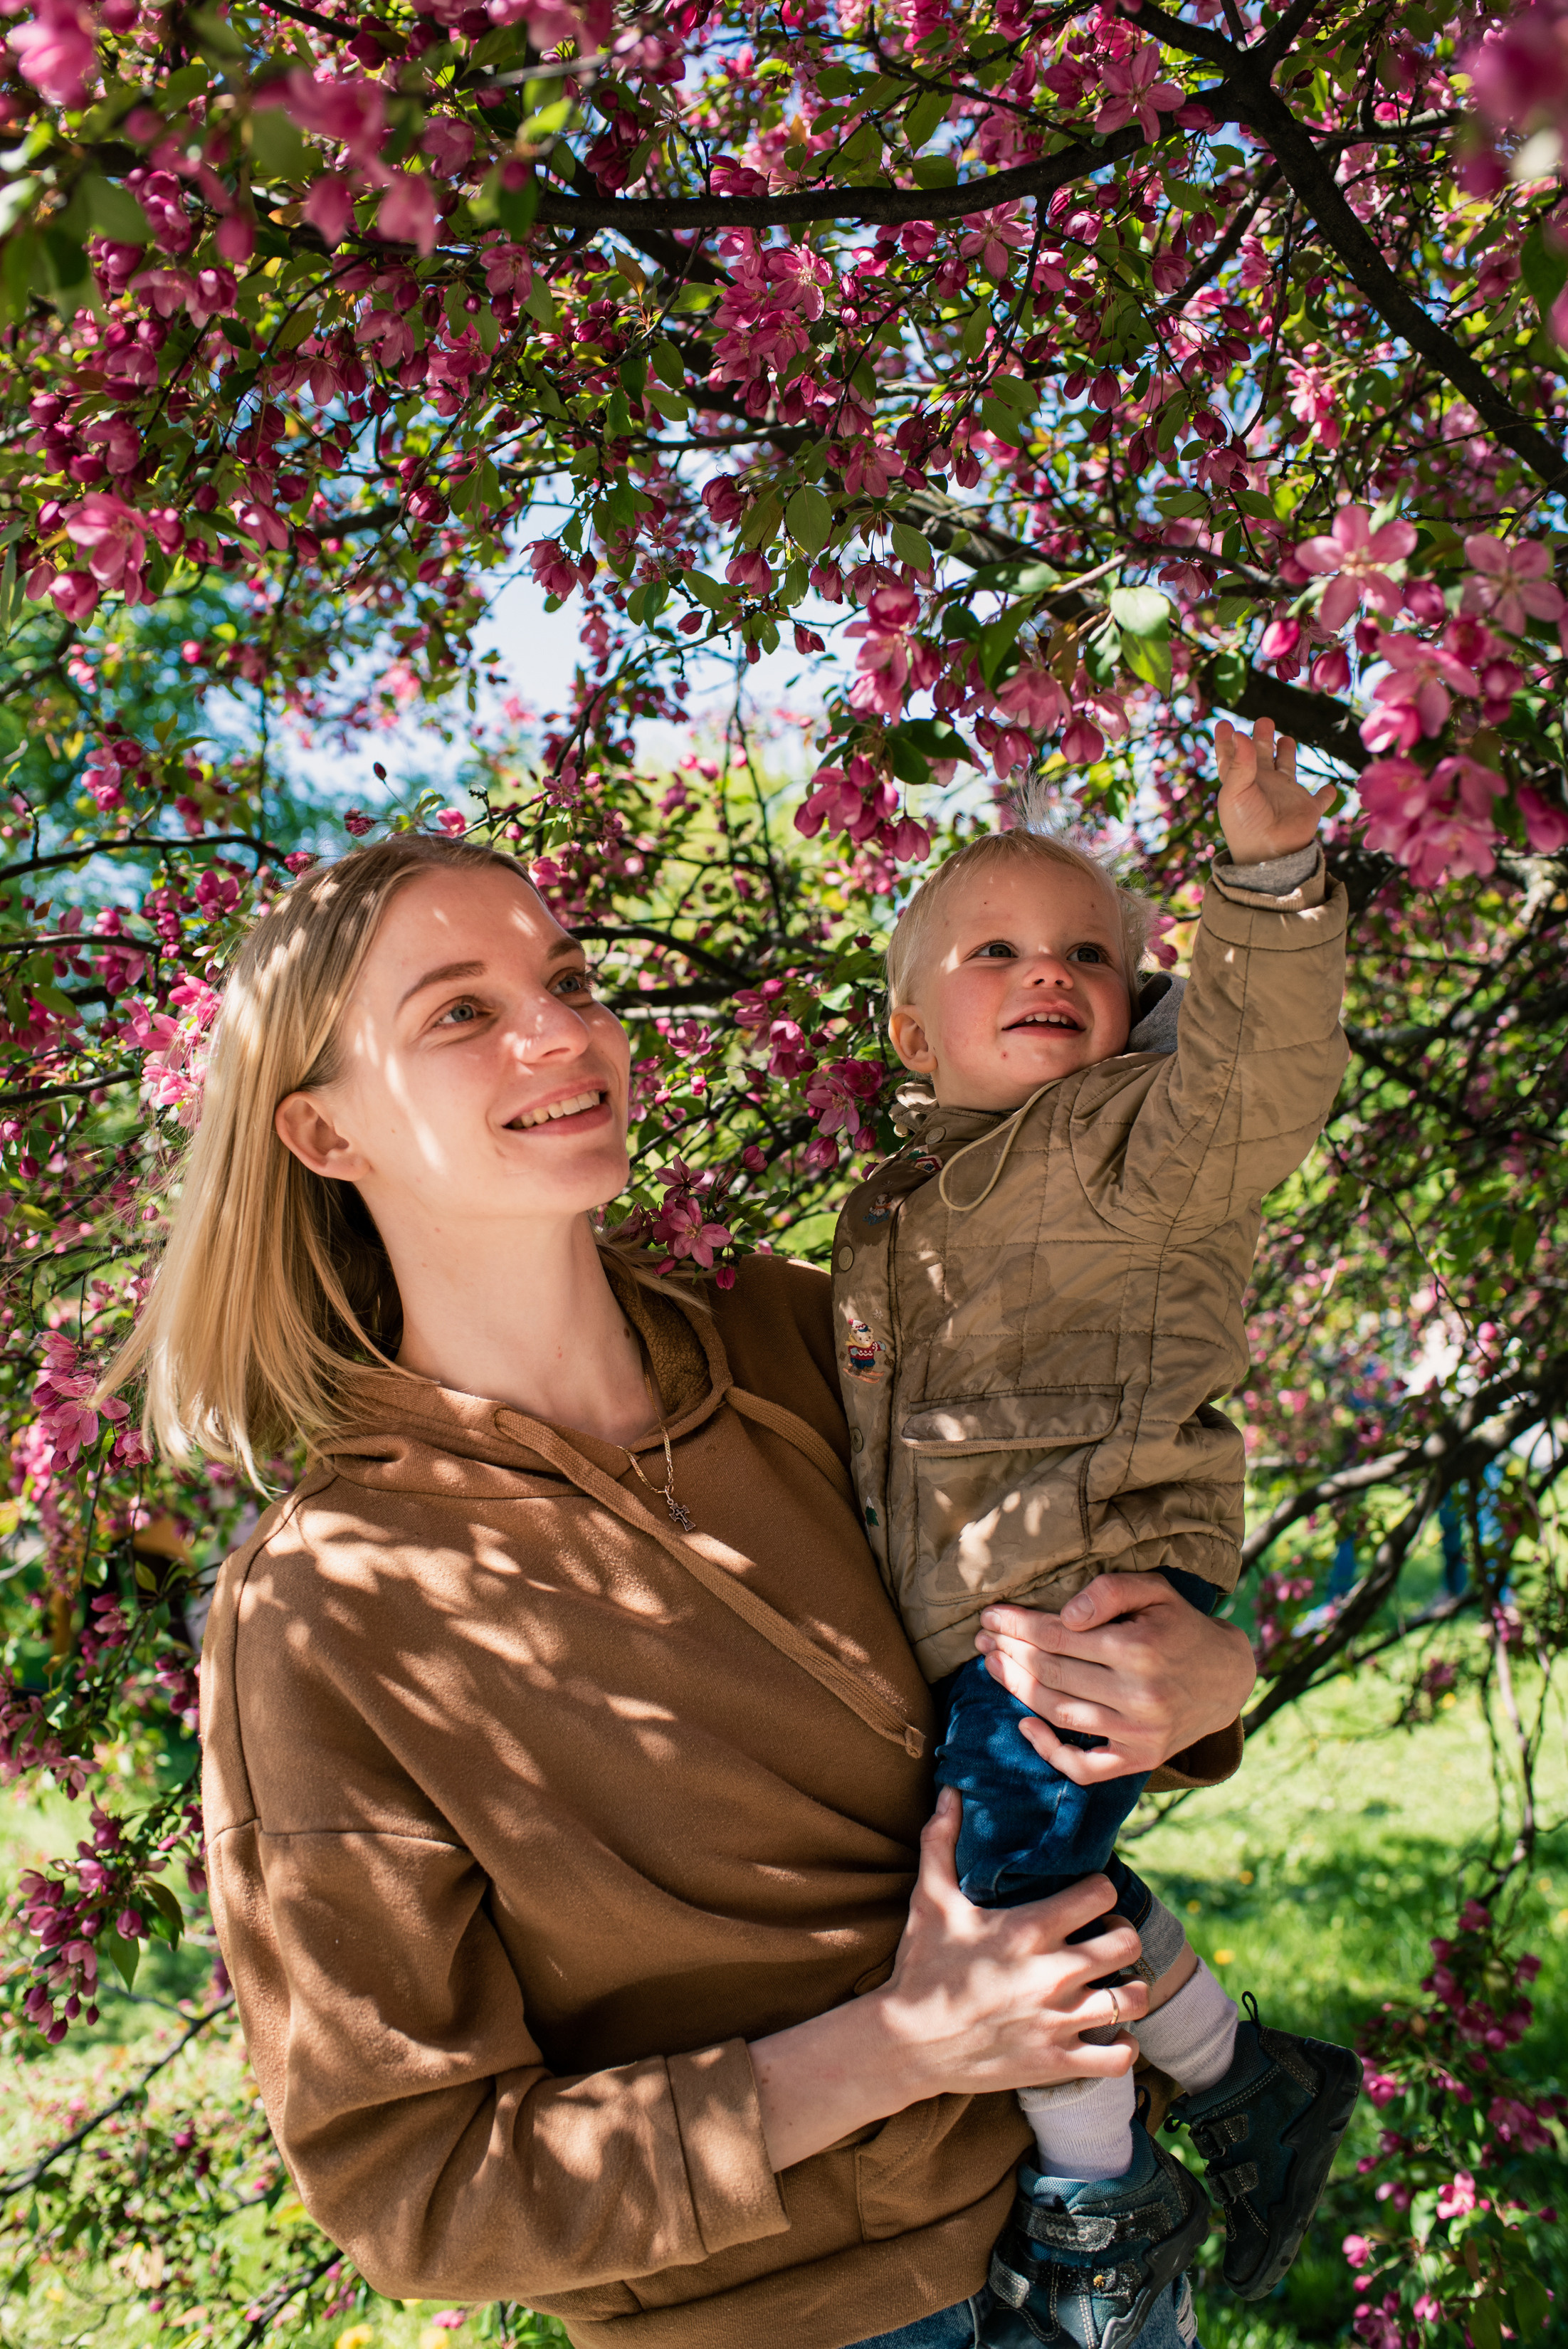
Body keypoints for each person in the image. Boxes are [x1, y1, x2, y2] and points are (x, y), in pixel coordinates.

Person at [102, 832, 1258, 2349]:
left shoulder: (805, 1334)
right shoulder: (326, 1612)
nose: (563, 1031)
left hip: (1096, 2238)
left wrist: (1202, 1677)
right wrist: (902, 2048)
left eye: (569, 980)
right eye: (460, 1011)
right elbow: (422, 2193)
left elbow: (1082, 1538)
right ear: (323, 1135)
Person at [831, 722, 1362, 2349]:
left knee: (1003, 1887)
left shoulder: (1136, 1141)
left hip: (1087, 1586)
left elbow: (1258, 1070)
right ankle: (1246, 2082)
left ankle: (1100, 2200)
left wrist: (1265, 884)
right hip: (1000, 1604)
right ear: (913, 1029)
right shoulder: (910, 1204)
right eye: (992, 951)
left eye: (1088, 954)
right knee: (1039, 1869)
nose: (1046, 972)